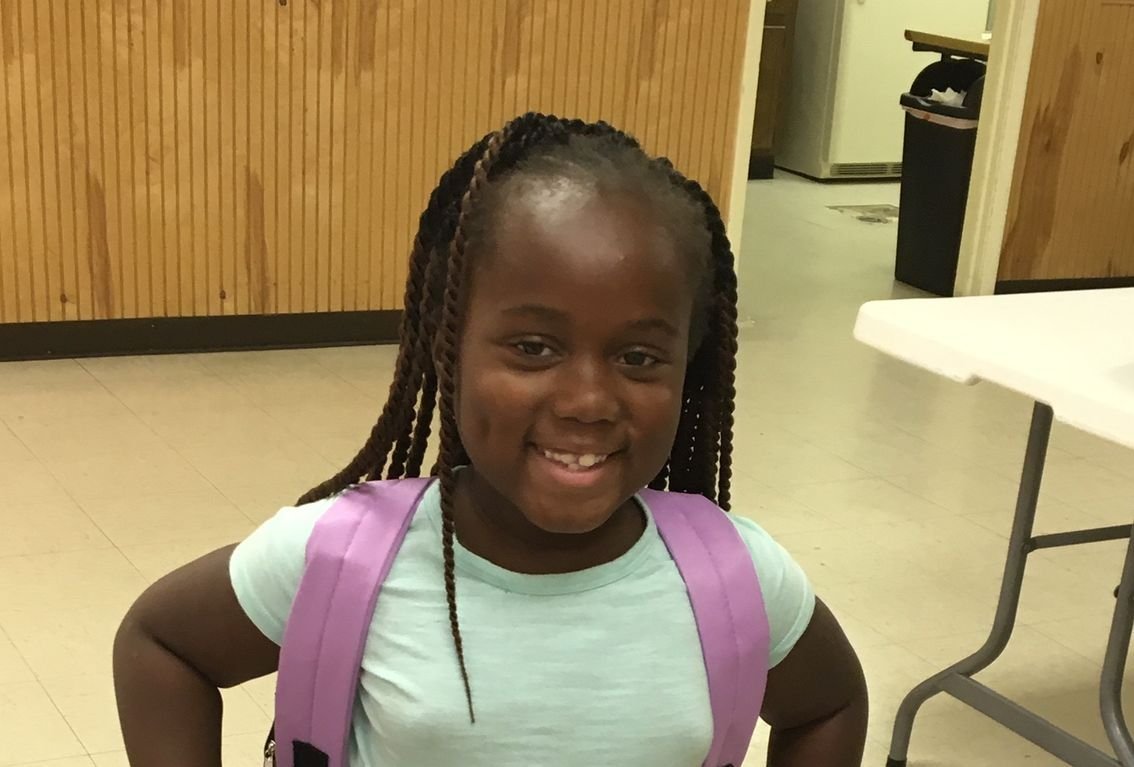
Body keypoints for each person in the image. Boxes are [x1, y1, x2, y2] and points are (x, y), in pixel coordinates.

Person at [113, 113, 868, 766]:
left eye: (639, 357)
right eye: (533, 348)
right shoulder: (346, 559)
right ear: (451, 349)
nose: (588, 402)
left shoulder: (736, 578)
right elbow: (162, 646)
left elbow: (828, 704)